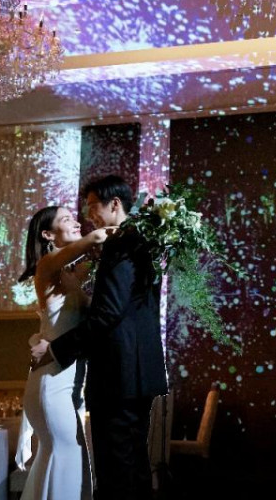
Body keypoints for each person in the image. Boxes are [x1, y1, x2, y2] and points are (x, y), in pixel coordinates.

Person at [31, 175, 168, 500]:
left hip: (118, 373)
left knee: (117, 469)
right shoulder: (143, 242)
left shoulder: (120, 242)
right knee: (133, 463)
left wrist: (55, 348)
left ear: (114, 204)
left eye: (93, 206)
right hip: (137, 371)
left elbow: (108, 313)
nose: (88, 214)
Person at [18, 205, 112, 500]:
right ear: (48, 234)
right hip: (51, 378)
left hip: (69, 377)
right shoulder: (47, 265)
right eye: (66, 219)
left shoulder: (71, 275)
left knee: (66, 453)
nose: (76, 222)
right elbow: (96, 238)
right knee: (65, 451)